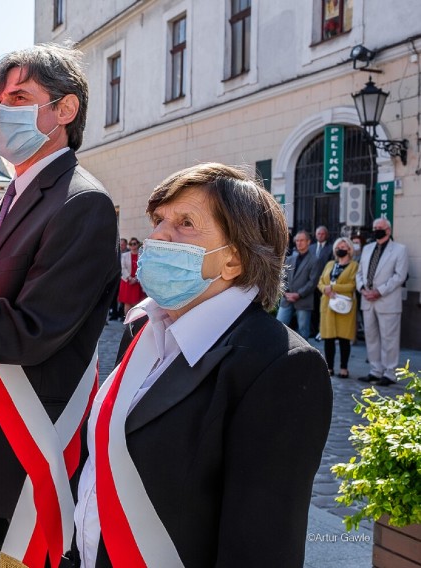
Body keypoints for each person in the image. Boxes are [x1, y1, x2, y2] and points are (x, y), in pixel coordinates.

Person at [75, 163, 332, 566]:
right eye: (158, 219)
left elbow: (260, 549)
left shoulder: (280, 366)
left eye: (186, 223)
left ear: (233, 261)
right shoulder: (144, 327)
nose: (157, 234)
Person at [0, 44, 120, 566]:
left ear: (64, 111)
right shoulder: (8, 200)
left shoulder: (81, 202)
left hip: (29, 440)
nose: (2, 111)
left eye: (19, 96)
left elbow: (32, 330)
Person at [355, 217, 409, 387]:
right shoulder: (367, 248)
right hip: (367, 300)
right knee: (371, 337)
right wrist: (363, 289)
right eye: (374, 227)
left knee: (389, 338)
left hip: (387, 300)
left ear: (388, 230)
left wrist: (379, 291)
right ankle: (375, 370)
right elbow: (359, 273)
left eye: (380, 227)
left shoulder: (400, 250)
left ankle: (390, 372)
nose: (376, 229)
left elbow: (399, 276)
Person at [317, 237, 358, 378]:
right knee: (328, 338)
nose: (340, 248)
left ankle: (344, 368)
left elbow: (352, 285)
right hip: (328, 304)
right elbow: (320, 282)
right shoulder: (329, 264)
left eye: (344, 246)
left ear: (349, 249)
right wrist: (325, 289)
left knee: (343, 338)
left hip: (344, 305)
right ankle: (329, 368)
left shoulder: (354, 265)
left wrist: (334, 287)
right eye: (338, 246)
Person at [276, 230, 320, 339]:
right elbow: (283, 278)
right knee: (279, 325)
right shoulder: (290, 259)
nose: (299, 243)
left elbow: (312, 282)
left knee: (303, 330)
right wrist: (285, 293)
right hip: (287, 298)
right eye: (297, 241)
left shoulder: (315, 260)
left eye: (302, 240)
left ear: (308, 242)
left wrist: (298, 294)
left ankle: (303, 355)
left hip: (303, 300)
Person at [311, 225, 333, 336]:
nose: (320, 235)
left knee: (322, 308)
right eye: (318, 233)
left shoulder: (331, 248)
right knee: (313, 308)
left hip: (324, 284)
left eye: (322, 233)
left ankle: (322, 330)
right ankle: (314, 331)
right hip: (311, 283)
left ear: (327, 235)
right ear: (315, 235)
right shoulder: (311, 247)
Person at [119, 237, 145, 315]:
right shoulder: (124, 255)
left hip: (138, 282)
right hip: (127, 281)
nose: (133, 245)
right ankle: (127, 323)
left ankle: (136, 323)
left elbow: (143, 268)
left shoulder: (142, 256)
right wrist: (130, 278)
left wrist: (136, 279)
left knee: (138, 303)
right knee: (127, 303)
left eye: (134, 244)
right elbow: (123, 268)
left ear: (137, 245)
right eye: (131, 244)